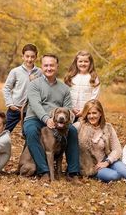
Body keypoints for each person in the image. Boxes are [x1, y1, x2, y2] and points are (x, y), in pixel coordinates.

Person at [23, 54, 80, 182]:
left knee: (72, 131)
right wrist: (46, 119)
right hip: (35, 118)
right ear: (42, 67)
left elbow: (68, 108)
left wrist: (64, 121)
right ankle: (44, 171)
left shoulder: (64, 88)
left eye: (51, 65)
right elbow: (35, 104)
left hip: (58, 120)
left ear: (57, 66)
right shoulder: (34, 84)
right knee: (31, 132)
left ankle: (73, 172)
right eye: (46, 65)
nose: (49, 68)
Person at [74, 99, 126, 183]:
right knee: (115, 176)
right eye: (89, 113)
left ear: (100, 113)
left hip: (109, 161)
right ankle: (123, 173)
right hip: (93, 166)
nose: (91, 116)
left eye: (94, 113)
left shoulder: (108, 127)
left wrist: (108, 162)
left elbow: (117, 149)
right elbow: (66, 128)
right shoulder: (79, 126)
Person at [2, 44, 42, 132]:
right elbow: (6, 88)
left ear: (36, 57)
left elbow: (43, 90)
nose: (29, 59)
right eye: (27, 56)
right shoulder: (15, 71)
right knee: (4, 131)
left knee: (29, 133)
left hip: (31, 110)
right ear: (22, 57)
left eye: (32, 57)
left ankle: (27, 145)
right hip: (15, 108)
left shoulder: (40, 72)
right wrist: (10, 104)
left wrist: (35, 81)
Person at [64, 50, 100, 121]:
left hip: (87, 112)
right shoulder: (70, 76)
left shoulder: (93, 78)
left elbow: (94, 97)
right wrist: (71, 108)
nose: (83, 64)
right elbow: (66, 94)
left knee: (82, 129)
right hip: (71, 111)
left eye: (86, 61)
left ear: (90, 63)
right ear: (76, 62)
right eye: (80, 61)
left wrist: (85, 110)